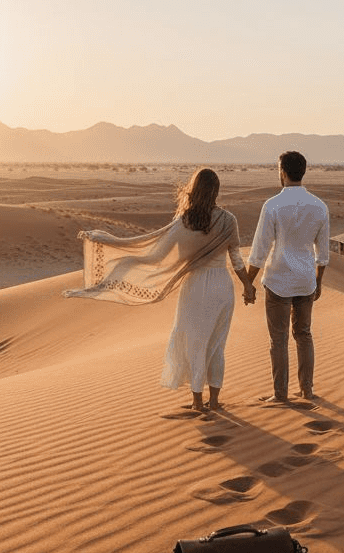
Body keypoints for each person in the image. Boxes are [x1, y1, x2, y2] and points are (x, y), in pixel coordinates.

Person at [64, 168, 253, 412]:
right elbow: (237, 259)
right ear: (216, 191)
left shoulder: (184, 221)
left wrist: (120, 252)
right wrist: (248, 285)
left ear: (193, 189)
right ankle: (214, 401)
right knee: (216, 344)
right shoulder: (229, 220)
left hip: (196, 286)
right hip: (221, 285)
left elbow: (155, 256)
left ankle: (197, 402)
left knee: (194, 343)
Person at [244, 151, 330, 402]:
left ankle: (280, 394)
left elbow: (259, 249)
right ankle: (307, 389)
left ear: (282, 172)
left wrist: (248, 282)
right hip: (305, 279)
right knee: (304, 335)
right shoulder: (319, 206)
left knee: (278, 340)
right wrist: (318, 281)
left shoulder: (272, 205)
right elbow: (322, 253)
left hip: (278, 279)